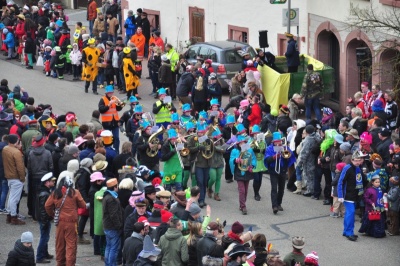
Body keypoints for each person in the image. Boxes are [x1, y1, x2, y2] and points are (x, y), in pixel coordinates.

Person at [45, 176, 86, 266]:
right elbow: (83, 205)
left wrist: (53, 214)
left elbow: (47, 206)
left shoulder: (55, 193)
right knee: (71, 245)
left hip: (60, 222)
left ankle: (60, 263)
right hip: (72, 222)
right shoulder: (75, 192)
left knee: (60, 244)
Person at [338, 151, 367, 241]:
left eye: (359, 160)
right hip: (348, 195)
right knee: (351, 213)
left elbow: (362, 180)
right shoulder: (347, 168)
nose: (358, 162)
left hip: (355, 195)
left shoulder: (358, 168)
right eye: (356, 160)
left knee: (349, 214)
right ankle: (349, 232)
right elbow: (341, 182)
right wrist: (340, 195)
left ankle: (346, 231)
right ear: (352, 160)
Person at [264, 132, 296, 214]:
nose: (278, 143)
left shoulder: (285, 147)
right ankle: (274, 206)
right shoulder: (269, 148)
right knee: (274, 188)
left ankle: (279, 204)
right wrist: (274, 157)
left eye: (280, 141)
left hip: (282, 170)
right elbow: (267, 159)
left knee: (281, 188)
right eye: (277, 141)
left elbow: (289, 156)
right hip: (273, 170)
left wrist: (284, 153)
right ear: (273, 142)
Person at [230, 134, 256, 215]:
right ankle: (243, 206)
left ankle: (242, 204)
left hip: (247, 171)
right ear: (238, 144)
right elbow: (231, 160)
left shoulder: (250, 150)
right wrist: (235, 160)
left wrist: (252, 166)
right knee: (242, 190)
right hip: (239, 171)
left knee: (246, 190)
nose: (242, 144)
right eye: (241, 143)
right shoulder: (235, 151)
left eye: (244, 143)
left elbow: (253, 159)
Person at [3, 134, 26, 225]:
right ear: (16, 142)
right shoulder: (16, 152)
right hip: (16, 177)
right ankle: (13, 216)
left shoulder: (5, 149)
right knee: (14, 199)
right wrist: (22, 178)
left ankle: (9, 215)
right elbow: (20, 167)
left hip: (9, 176)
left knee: (11, 197)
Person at [35, 172, 56, 264]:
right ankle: (40, 257)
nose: (53, 182)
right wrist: (44, 222)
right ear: (47, 183)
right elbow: (43, 209)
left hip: (44, 218)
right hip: (44, 219)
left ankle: (45, 253)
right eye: (52, 181)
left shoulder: (44, 191)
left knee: (45, 237)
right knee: (44, 237)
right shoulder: (45, 194)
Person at [103, 178, 124, 266]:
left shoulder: (106, 196)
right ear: (115, 187)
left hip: (107, 227)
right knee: (114, 249)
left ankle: (107, 264)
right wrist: (119, 226)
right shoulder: (112, 199)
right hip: (113, 228)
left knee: (108, 247)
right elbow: (114, 215)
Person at [98, 85, 123, 152]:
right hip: (106, 123)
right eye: (109, 93)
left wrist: (120, 104)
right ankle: (107, 151)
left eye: (111, 92)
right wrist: (109, 105)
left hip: (115, 122)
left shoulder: (114, 98)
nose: (110, 94)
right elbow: (101, 110)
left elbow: (118, 109)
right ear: (106, 93)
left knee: (116, 138)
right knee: (107, 138)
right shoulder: (102, 99)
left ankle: (116, 152)